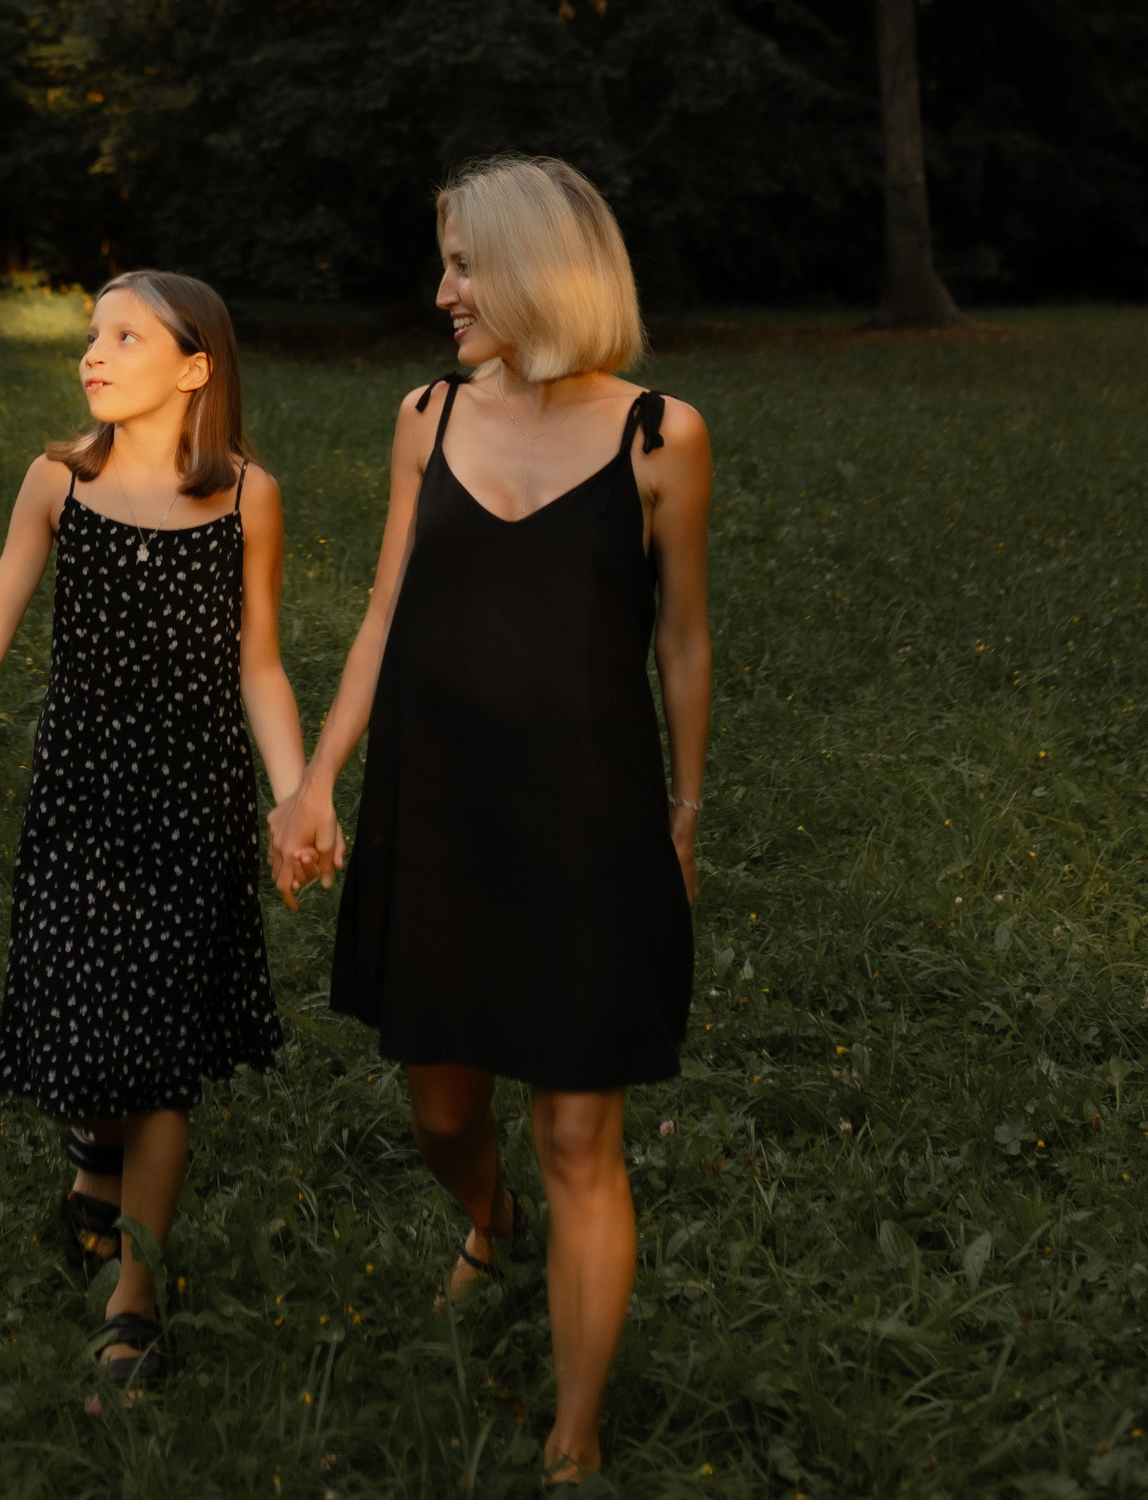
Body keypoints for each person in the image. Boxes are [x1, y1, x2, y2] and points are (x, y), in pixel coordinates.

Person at [269, 155, 711, 1488]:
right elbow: (384, 613)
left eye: (464, 265)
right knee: (443, 1112)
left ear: (534, 271)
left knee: (580, 1133)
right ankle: (489, 1217)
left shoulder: (662, 438)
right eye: (447, 263)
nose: (442, 291)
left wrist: (685, 814)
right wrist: (316, 778)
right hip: (440, 810)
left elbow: (683, 644)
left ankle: (573, 1437)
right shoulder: (427, 415)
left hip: (589, 823)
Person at [0, 269, 303, 1395]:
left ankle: (136, 1296)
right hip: (81, 796)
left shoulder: (247, 499)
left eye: (127, 336)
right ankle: (95, 1150)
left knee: (164, 1053)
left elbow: (261, 664)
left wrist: (293, 795)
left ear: (195, 368)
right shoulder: (60, 481)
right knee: (86, 1014)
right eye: (93, 333)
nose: (95, 351)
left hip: (193, 803)